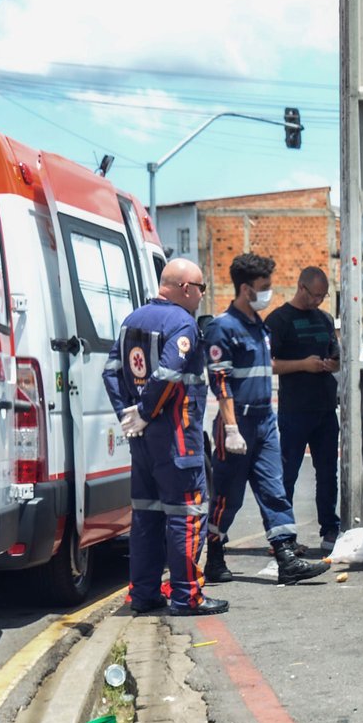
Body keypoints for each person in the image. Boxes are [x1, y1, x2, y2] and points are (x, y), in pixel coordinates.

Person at [103, 258, 227, 616]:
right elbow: (169, 372)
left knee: (146, 516)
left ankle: (143, 594)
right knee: (186, 515)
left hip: (142, 441)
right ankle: (187, 595)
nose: (202, 296)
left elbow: (110, 372)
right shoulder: (182, 323)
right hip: (177, 439)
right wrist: (143, 411)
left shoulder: (131, 321)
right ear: (186, 288)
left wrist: (128, 414)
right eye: (201, 289)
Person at [204, 252, 328, 586]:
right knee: (228, 496)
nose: (269, 292)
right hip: (237, 423)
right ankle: (213, 552)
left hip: (264, 420)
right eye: (264, 287)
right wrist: (230, 428)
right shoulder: (223, 328)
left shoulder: (258, 325)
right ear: (245, 289)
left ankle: (286, 555)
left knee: (274, 489)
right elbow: (221, 382)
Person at [267, 266, 341, 552]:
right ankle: (282, 535)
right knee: (288, 474)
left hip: (324, 409)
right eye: (316, 295)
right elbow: (267, 363)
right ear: (301, 288)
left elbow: (335, 354)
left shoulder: (323, 319)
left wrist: (331, 363)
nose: (319, 301)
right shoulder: (279, 320)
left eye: (323, 296)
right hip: (295, 410)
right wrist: (302, 365)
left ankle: (330, 528)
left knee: (327, 473)